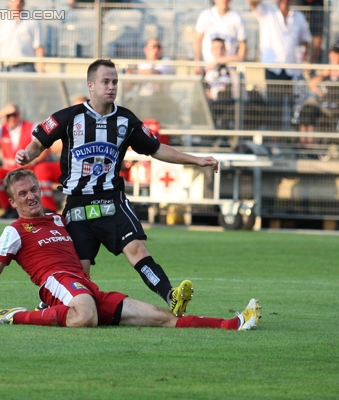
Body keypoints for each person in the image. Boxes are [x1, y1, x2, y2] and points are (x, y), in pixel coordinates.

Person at [13, 59, 219, 317]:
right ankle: (49, 309)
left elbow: (156, 149)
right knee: (79, 272)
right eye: (105, 82)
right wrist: (26, 155)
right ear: (91, 85)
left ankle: (171, 296)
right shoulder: (69, 117)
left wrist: (196, 159)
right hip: (77, 205)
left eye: (115, 82)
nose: (111, 87)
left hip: (111, 201)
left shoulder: (125, 120)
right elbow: (39, 140)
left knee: (137, 249)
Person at [0, 169, 261, 331]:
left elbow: (93, 229)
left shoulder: (60, 219)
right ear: (12, 201)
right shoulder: (13, 232)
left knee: (162, 317)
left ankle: (232, 324)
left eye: (34, 189)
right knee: (86, 318)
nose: (31, 196)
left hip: (83, 285)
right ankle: (14, 316)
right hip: (57, 283)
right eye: (23, 194)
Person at [0, 103, 61, 218]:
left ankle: (48, 209)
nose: (12, 118)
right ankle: (9, 208)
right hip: (9, 170)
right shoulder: (2, 130)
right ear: (4, 117)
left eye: (14, 114)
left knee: (41, 171)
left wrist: (34, 160)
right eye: (8, 115)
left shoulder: (30, 127)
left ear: (19, 115)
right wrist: (0, 113)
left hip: (27, 168)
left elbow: (45, 146)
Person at [249, 0, 312, 133]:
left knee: (292, 106)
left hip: (292, 70)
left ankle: (289, 138)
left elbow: (306, 40)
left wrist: (306, 53)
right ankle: (274, 139)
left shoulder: (298, 17)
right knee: (274, 106)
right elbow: (252, 2)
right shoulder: (267, 12)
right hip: (273, 68)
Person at [298, 41, 339, 144]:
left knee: (313, 111)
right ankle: (304, 142)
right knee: (307, 109)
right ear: (330, 54)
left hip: (336, 106)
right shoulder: (328, 70)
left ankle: (310, 145)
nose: (337, 56)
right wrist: (320, 92)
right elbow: (312, 83)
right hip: (324, 103)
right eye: (335, 53)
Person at [125, 38, 179, 125]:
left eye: (158, 46)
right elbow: (128, 86)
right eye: (152, 46)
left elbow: (154, 72)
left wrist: (134, 72)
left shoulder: (166, 61)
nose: (156, 49)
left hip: (160, 101)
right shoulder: (142, 65)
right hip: (141, 101)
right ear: (145, 49)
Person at [0, 0, 44, 73]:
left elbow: (39, 47)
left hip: (26, 68)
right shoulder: (0, 22)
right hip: (5, 68)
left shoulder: (33, 22)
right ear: (9, 2)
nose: (17, 3)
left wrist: (41, 70)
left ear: (24, 3)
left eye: (20, 1)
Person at [193, 0, 247, 75]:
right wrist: (197, 62)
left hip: (229, 71)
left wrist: (220, 61)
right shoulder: (206, 15)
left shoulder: (237, 17)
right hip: (208, 70)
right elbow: (197, 40)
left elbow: (242, 50)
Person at [203, 38, 239, 130]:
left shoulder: (232, 69)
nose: (219, 51)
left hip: (228, 104)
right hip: (212, 104)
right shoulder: (206, 71)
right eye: (216, 48)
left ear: (225, 50)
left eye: (221, 48)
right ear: (211, 50)